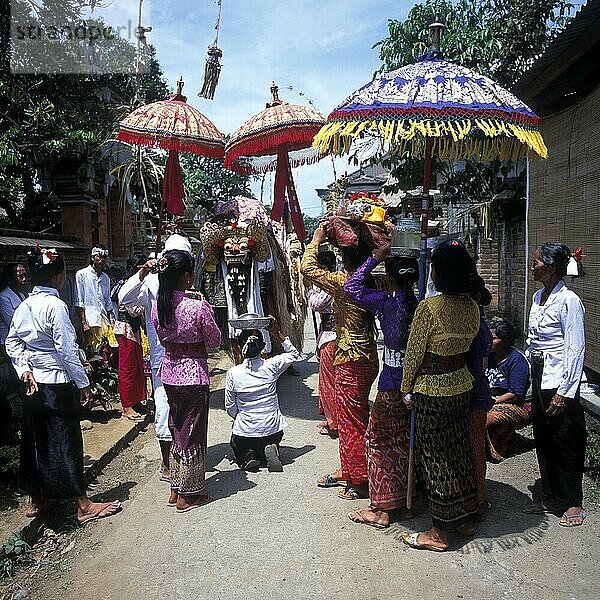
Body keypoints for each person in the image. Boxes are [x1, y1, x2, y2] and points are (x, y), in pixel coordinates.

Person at [5, 246, 121, 524]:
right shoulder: (56, 307)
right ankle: (82, 504)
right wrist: (84, 385)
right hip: (55, 383)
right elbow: (67, 350)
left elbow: (12, 342)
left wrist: (24, 369)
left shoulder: (24, 306)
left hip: (32, 385)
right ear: (59, 276)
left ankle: (36, 498)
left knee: (36, 439)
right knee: (65, 440)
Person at [400, 240, 480, 552]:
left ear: (440, 272)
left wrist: (406, 389)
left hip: (432, 391)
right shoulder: (473, 306)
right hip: (461, 384)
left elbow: (414, 353)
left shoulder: (429, 308)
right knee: (460, 452)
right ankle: (466, 517)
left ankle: (439, 533)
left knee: (435, 459)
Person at [301, 224, 379, 500]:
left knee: (351, 422)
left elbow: (307, 268)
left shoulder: (345, 282)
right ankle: (352, 469)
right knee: (355, 418)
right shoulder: (374, 281)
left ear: (347, 259)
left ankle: (358, 479)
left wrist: (316, 240)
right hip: (368, 355)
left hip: (349, 358)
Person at [344, 243, 418, 528]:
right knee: (407, 441)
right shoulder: (422, 303)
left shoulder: (388, 303)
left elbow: (351, 287)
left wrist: (373, 258)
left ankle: (382, 509)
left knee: (377, 442)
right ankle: (408, 501)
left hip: (391, 384)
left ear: (390, 275)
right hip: (417, 385)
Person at [152, 249, 221, 513]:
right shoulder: (197, 306)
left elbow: (161, 339)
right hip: (193, 374)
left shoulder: (159, 306)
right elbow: (214, 341)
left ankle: (175, 488)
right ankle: (188, 496)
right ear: (187, 277)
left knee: (176, 428)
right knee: (192, 432)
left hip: (169, 372)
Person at [119, 234, 192, 482]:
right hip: (164, 358)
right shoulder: (151, 284)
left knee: (185, 411)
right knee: (164, 408)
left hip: (189, 359)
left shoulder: (188, 285)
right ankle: (167, 463)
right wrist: (142, 274)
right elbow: (125, 300)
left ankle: (186, 458)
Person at [523, 242, 587, 527]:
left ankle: (572, 501)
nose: (532, 266)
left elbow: (574, 348)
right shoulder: (538, 297)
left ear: (548, 268)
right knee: (544, 437)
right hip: (539, 375)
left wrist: (564, 392)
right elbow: (533, 339)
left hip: (560, 380)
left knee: (565, 440)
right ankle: (550, 495)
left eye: (535, 262)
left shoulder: (569, 301)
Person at [225, 318, 301, 472]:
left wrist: (239, 419)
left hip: (246, 433)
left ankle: (249, 455)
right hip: (272, 429)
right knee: (269, 435)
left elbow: (230, 406)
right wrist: (277, 333)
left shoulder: (233, 373)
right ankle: (272, 447)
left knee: (237, 441)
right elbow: (294, 354)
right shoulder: (271, 366)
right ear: (263, 347)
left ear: (239, 347)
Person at [466, 275, 495, 518]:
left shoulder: (476, 328)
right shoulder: (477, 324)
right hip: (475, 392)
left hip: (474, 395)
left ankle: (478, 501)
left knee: (473, 448)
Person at [486, 319, 532, 462]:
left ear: (505, 340)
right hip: (492, 400)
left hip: (517, 405)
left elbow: (516, 394)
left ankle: (501, 448)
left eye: (493, 338)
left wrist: (493, 401)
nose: (489, 341)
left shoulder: (517, 361)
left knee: (489, 417)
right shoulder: (489, 356)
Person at [305, 250, 337, 437]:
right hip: (328, 336)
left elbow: (316, 304)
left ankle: (334, 422)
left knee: (329, 382)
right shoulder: (332, 281)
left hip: (331, 338)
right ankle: (331, 418)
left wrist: (310, 289)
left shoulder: (331, 283)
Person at [112, 257, 147, 422]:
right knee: (127, 369)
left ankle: (136, 400)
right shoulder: (126, 286)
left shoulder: (137, 285)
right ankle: (127, 406)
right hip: (126, 330)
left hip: (134, 331)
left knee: (137, 368)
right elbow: (133, 310)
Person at [75, 246, 115, 353]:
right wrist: (84, 322)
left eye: (104, 258)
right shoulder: (81, 275)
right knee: (92, 351)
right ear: (93, 258)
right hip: (90, 320)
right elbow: (79, 301)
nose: (102, 260)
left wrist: (112, 321)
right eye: (99, 257)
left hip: (104, 320)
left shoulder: (106, 278)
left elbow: (108, 303)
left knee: (107, 350)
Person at [0, 263, 28, 396]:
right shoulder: (4, 297)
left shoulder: (22, 296)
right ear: (10, 279)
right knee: (14, 376)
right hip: (9, 342)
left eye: (25, 275)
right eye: (20, 276)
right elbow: (12, 323)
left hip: (23, 342)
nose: (24, 279)